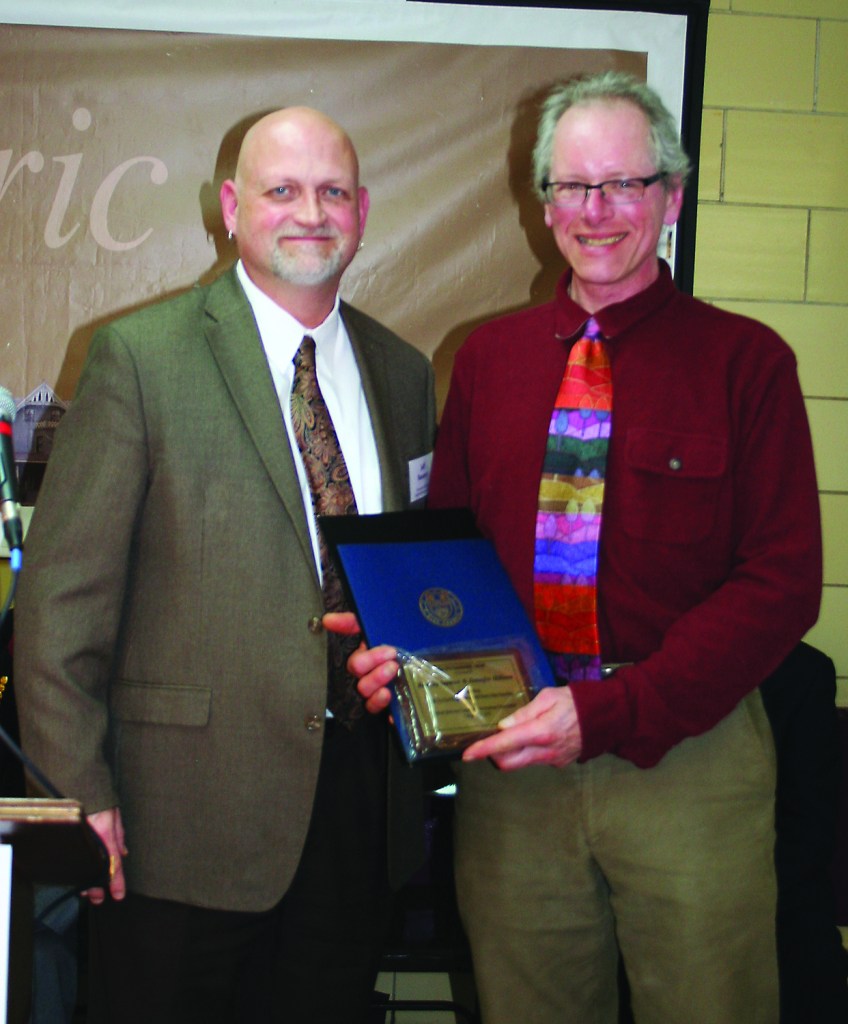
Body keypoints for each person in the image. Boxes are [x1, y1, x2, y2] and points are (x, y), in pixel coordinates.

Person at [330, 72, 822, 1023]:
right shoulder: (488, 360)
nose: (595, 212)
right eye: (570, 186)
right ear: (542, 200)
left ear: (669, 198)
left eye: (624, 185)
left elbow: (782, 583)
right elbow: (454, 563)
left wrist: (613, 711)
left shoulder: (748, 363)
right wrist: (402, 637)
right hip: (515, 770)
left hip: (689, 758)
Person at [14, 106, 435, 1024]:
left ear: (362, 211)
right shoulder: (140, 356)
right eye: (282, 191)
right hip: (177, 830)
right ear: (232, 206)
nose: (309, 212)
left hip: (356, 820)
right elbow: (59, 608)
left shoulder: (404, 374)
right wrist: (78, 798)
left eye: (331, 192)